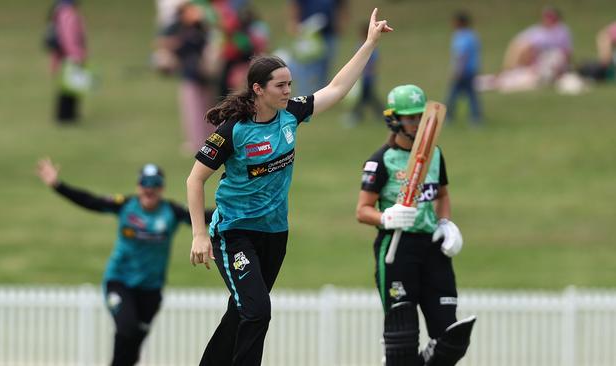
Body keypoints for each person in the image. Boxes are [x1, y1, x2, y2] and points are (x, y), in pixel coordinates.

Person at [186, 8, 392, 366]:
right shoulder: (234, 129)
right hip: (235, 233)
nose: (288, 91)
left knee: (244, 311)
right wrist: (199, 235)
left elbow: (338, 88)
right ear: (258, 89)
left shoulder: (291, 114)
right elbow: (195, 179)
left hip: (275, 233)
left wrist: (369, 43)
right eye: (280, 86)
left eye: (289, 84)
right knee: (258, 311)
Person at [36, 158, 212, 366]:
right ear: (138, 186)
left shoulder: (171, 212)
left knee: (133, 347)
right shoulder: (125, 205)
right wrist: (58, 185)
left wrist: (238, 207)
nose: (149, 189)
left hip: (151, 290)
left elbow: (205, 215)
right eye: (145, 184)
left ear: (162, 188)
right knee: (126, 330)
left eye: (154, 184)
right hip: (119, 282)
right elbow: (91, 201)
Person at [356, 85, 475, 365]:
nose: (415, 123)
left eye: (419, 117)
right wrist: (386, 217)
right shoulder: (381, 159)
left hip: (433, 248)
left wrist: (445, 223)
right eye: (409, 117)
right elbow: (362, 210)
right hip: (397, 248)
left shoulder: (435, 154)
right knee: (402, 345)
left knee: (450, 339)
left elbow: (442, 194)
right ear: (394, 119)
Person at [156, 1, 219, 155]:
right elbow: (164, 44)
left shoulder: (201, 25)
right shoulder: (176, 27)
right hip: (189, 74)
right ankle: (197, 143)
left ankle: (215, 140)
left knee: (209, 108)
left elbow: (210, 42)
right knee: (193, 109)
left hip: (204, 74)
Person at [287, 0, 348, 96]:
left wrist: (340, 21)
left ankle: (322, 97)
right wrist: (294, 21)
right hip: (308, 33)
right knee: (307, 66)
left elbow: (341, 4)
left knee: (326, 66)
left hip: (329, 33)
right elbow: (295, 3)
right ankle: (303, 97)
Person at [44, 0, 88, 123]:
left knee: (72, 86)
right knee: (68, 88)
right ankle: (65, 117)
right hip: (68, 57)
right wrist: (76, 56)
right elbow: (68, 38)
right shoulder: (67, 14)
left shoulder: (62, 12)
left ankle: (70, 115)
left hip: (66, 56)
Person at [343, 22, 384, 127]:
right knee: (368, 98)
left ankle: (356, 116)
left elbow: (372, 63)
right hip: (362, 78)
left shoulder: (370, 47)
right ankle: (382, 114)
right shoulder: (361, 45)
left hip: (366, 78)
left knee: (364, 98)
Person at [445, 11, 482, 126]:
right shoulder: (472, 35)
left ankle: (448, 118)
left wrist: (458, 71)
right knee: (472, 96)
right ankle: (476, 118)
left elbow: (462, 55)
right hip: (471, 70)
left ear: (460, 22)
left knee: (452, 95)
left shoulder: (462, 36)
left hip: (463, 72)